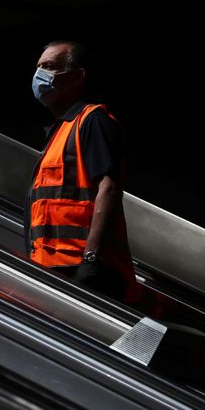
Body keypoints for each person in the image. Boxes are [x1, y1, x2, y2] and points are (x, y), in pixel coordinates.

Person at [26, 40, 141, 304]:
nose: (39, 75)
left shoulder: (92, 120)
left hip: (85, 270)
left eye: (50, 67)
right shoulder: (60, 131)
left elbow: (109, 188)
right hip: (53, 266)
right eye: (38, 67)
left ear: (77, 76)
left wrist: (90, 261)